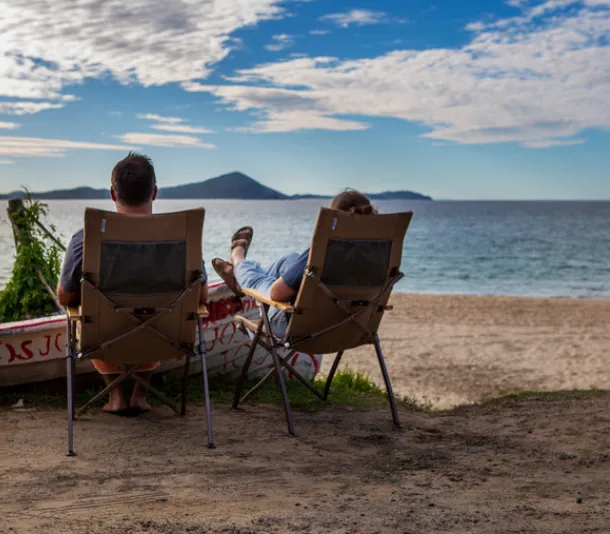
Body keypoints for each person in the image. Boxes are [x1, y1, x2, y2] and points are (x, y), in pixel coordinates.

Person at [57, 152, 209, 416]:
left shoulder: (85, 238)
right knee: (158, 314)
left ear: (112, 194)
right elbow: (201, 295)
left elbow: (65, 297)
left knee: (86, 315)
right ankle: (140, 394)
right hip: (166, 337)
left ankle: (116, 396)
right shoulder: (183, 238)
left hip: (104, 338)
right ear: (155, 192)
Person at [211, 189, 377, 337]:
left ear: (334, 219)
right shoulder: (380, 254)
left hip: (300, 328)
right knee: (291, 259)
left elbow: (276, 294)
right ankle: (239, 277)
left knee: (258, 281)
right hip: (354, 328)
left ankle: (237, 257)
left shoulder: (324, 250)